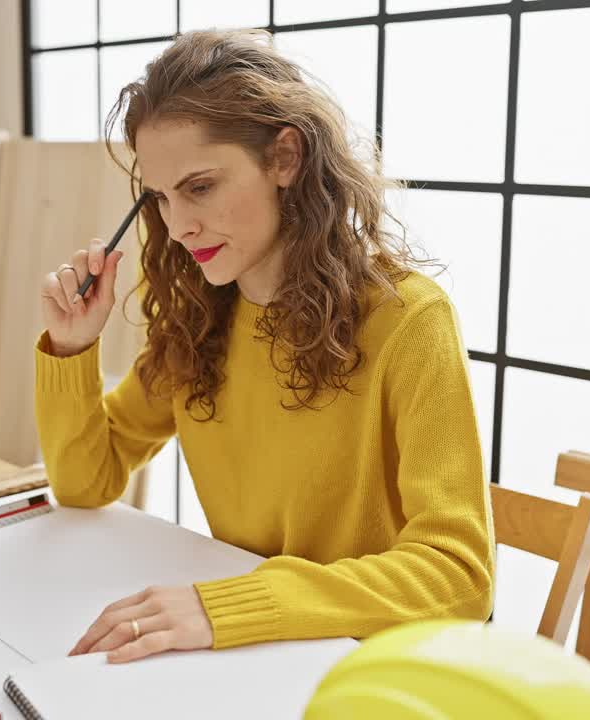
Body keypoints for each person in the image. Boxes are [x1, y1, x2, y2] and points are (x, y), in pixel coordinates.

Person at [35, 29, 494, 665]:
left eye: (200, 186)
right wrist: (71, 348)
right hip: (250, 656)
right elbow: (86, 482)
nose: (178, 225)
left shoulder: (408, 318)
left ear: (284, 158)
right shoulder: (199, 319)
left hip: (370, 666)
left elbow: (460, 578)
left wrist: (229, 606)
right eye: (161, 197)